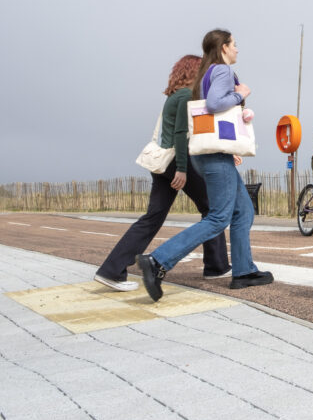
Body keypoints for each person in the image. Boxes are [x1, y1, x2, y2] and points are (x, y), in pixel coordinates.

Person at [137, 29, 273, 301]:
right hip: (214, 155)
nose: (237, 49)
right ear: (223, 47)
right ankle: (158, 261)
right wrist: (241, 94)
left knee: (243, 210)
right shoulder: (221, 70)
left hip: (206, 152)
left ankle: (244, 271)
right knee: (218, 217)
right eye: (234, 44)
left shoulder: (205, 73)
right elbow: (214, 104)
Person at [94, 55, 230, 291]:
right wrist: (182, 169)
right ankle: (216, 266)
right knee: (213, 209)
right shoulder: (186, 96)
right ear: (193, 72)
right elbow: (181, 135)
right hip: (177, 160)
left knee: (153, 217)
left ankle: (111, 270)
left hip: (162, 163)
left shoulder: (172, 97)